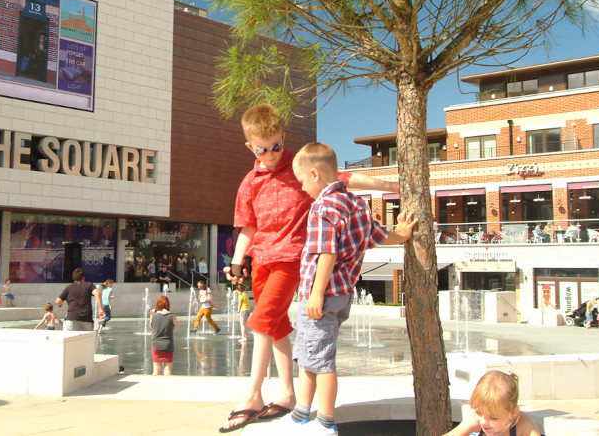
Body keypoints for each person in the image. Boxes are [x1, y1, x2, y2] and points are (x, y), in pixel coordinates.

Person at [219, 104, 398, 432]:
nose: (272, 154)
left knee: (260, 321)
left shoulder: (301, 166)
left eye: (276, 146)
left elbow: (344, 177)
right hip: (262, 260)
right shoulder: (249, 182)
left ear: (283, 138)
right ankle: (287, 394)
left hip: (293, 260)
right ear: (250, 147)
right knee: (275, 326)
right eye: (263, 149)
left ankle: (253, 395)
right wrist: (236, 261)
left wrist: (390, 185)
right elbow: (248, 227)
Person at [268, 142, 417, 435]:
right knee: (310, 352)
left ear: (314, 174)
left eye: (301, 182)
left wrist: (315, 293)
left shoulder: (322, 208)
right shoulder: (357, 205)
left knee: (320, 359)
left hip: (321, 295)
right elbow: (379, 237)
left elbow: (328, 253)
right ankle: (301, 413)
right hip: (342, 294)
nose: (302, 188)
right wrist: (402, 234)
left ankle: (325, 420)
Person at [444, 371, 541, 436]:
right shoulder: (476, 421)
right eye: (479, 412)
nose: (484, 421)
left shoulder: (523, 424)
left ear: (513, 413)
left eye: (493, 418)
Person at [56, 267, 105, 332]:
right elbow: (98, 293)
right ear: (83, 277)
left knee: (69, 341)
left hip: (71, 318)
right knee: (86, 341)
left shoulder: (69, 287)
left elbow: (58, 301)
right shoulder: (89, 285)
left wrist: (60, 304)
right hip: (86, 319)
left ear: (73, 278)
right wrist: (101, 310)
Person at [150, 295, 179, 375]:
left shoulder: (153, 315)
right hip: (168, 344)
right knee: (168, 369)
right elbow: (176, 325)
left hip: (155, 344)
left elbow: (151, 328)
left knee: (156, 369)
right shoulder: (172, 316)